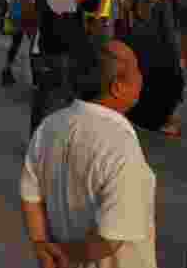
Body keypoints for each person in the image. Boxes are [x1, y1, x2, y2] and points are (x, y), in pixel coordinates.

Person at [20, 38, 156, 268]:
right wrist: (64, 253)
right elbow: (111, 238)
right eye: (137, 69)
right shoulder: (121, 147)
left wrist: (42, 246)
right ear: (118, 86)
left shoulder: (49, 126)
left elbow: (30, 196)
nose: (142, 76)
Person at [30, 0, 96, 136]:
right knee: (54, 104)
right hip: (56, 58)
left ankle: (38, 143)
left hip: (50, 55)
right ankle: (44, 146)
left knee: (46, 102)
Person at [125, 0, 184, 138]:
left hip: (154, 54)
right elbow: (168, 32)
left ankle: (166, 122)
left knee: (162, 87)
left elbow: (167, 32)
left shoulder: (153, 4)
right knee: (161, 87)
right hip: (155, 54)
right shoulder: (154, 3)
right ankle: (159, 120)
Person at [1, 0, 36, 87]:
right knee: (34, 46)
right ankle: (35, 78)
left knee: (15, 43)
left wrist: (9, 12)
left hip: (16, 14)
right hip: (29, 14)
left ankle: (7, 69)